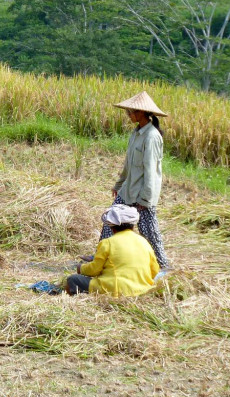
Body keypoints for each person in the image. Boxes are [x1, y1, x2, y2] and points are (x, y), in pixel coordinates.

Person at [107, 91, 169, 269]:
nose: (128, 115)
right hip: (128, 190)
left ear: (141, 112)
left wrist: (145, 199)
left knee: (149, 230)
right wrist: (119, 185)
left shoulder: (151, 137)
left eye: (130, 112)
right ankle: (102, 256)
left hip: (142, 194)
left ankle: (162, 265)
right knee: (111, 219)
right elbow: (128, 163)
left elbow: (151, 171)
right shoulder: (136, 133)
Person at [66, 204, 160, 297]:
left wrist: (81, 268)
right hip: (143, 290)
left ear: (112, 227)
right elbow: (155, 271)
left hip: (116, 290)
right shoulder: (144, 242)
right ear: (132, 226)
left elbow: (94, 270)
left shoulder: (107, 243)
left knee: (73, 280)